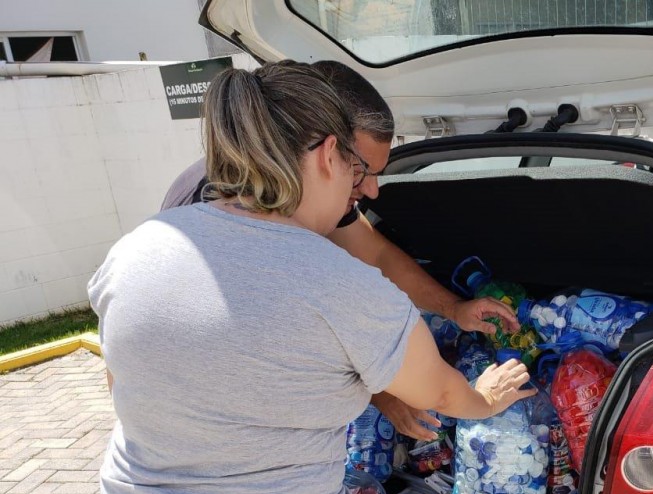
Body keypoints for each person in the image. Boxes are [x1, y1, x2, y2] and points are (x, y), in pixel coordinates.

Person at [88, 60, 534, 494]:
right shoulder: (335, 281)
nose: (368, 192)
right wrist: (488, 396)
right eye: (361, 177)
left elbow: (126, 381)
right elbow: (443, 392)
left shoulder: (140, 246)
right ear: (327, 154)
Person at [161, 60, 518, 443]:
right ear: (327, 151)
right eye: (360, 169)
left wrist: (453, 308)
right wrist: (385, 391)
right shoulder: (204, 213)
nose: (372, 190)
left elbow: (375, 254)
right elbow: (248, 353)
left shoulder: (148, 245)